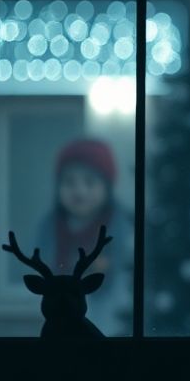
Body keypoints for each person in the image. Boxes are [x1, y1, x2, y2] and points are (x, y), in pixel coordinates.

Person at [32, 138, 133, 335]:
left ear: (107, 186)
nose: (80, 191)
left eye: (90, 182)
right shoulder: (47, 228)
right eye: (69, 182)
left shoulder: (123, 227)